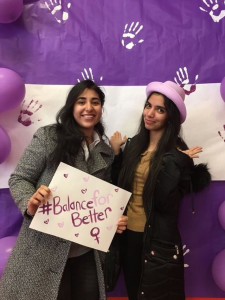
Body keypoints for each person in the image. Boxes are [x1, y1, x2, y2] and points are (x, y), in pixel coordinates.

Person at [0, 79, 127, 300]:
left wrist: (112, 220)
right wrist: (30, 202)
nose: (89, 107)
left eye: (95, 102)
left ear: (101, 108)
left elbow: (100, 199)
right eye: (82, 101)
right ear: (72, 107)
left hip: (86, 252)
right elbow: (20, 178)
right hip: (43, 247)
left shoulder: (105, 150)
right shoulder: (49, 137)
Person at [110, 81, 211, 300]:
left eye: (160, 109)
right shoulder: (135, 144)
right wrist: (117, 155)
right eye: (149, 106)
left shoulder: (178, 155)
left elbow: (165, 202)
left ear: (170, 117)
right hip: (128, 237)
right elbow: (120, 186)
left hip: (157, 241)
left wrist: (177, 161)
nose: (150, 113)